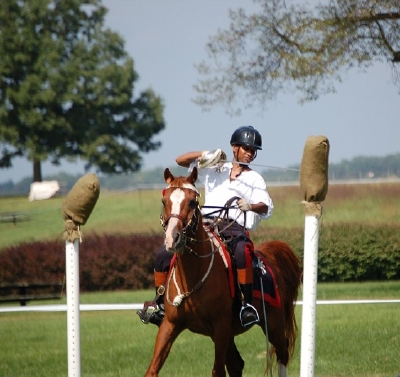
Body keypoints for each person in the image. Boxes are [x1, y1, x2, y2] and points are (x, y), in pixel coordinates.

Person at [137, 125, 273, 327]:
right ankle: (160, 304)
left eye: (253, 151)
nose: (250, 154)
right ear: (234, 148)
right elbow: (180, 161)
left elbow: (266, 206)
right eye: (246, 149)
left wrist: (249, 205)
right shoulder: (215, 168)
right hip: (206, 224)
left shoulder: (254, 178)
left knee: (242, 252)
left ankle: (246, 306)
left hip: (233, 227)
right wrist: (206, 154)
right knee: (164, 253)